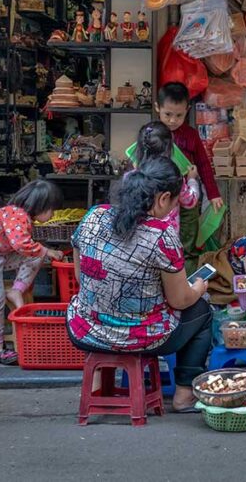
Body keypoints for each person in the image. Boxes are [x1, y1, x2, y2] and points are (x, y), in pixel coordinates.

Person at [66, 157, 212, 412]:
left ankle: (98, 384)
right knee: (202, 311)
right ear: (163, 198)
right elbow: (179, 300)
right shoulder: (161, 235)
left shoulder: (93, 215)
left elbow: (82, 277)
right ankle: (184, 395)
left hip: (84, 330)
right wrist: (198, 288)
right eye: (175, 202)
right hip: (140, 336)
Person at [0, 180, 65, 364]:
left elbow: (27, 248)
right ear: (40, 205)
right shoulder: (16, 214)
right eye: (52, 209)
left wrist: (43, 252)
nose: (52, 214)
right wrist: (47, 251)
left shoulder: (20, 215)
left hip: (0, 256)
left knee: (36, 255)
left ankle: (17, 289)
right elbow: (21, 244)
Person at [155, 82, 223, 272]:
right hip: (159, 201)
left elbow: (203, 164)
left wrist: (213, 194)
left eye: (179, 115)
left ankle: (188, 281)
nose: (172, 120)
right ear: (157, 108)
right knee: (160, 243)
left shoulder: (191, 135)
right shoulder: (152, 134)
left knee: (188, 240)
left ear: (187, 110)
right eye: (167, 114)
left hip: (188, 200)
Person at [131, 121, 200, 231]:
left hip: (138, 237)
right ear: (169, 148)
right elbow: (189, 201)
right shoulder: (172, 175)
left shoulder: (133, 176)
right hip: (165, 237)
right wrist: (192, 179)